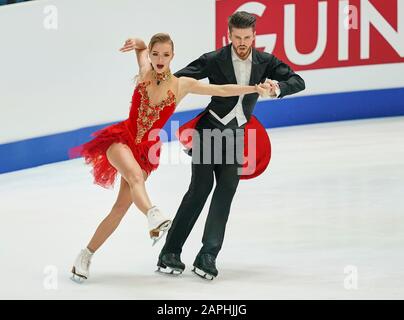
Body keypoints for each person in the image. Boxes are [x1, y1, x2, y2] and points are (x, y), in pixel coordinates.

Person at [68, 32, 270, 281]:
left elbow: (221, 88)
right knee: (135, 179)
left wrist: (253, 88)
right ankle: (154, 214)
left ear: (173, 56)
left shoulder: (182, 84)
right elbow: (140, 51)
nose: (159, 58)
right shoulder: (144, 72)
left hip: (144, 150)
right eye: (155, 54)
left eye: (165, 54)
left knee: (120, 207)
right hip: (121, 139)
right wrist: (139, 44)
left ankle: (85, 255)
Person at [158, 12, 305, 280]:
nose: (242, 42)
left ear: (254, 36)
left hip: (236, 135)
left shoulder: (265, 61)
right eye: (237, 37)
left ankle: (208, 255)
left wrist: (275, 89)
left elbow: (298, 81)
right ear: (229, 34)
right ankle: (170, 251)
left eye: (247, 37)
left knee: (225, 192)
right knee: (199, 190)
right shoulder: (215, 59)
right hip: (209, 132)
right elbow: (178, 79)